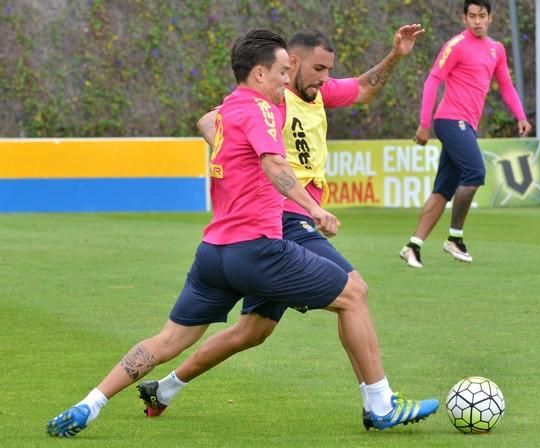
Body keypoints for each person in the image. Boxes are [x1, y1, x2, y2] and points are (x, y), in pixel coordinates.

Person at [46, 29, 438, 438]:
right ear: (264, 72)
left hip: (213, 253)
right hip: (264, 245)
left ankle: (95, 402)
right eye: (286, 71)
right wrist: (314, 207)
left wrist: (234, 155)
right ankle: (381, 404)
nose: (289, 79)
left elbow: (358, 91)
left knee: (214, 334)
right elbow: (271, 163)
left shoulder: (244, 104)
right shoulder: (264, 109)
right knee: (354, 293)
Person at [399, 0, 532, 268]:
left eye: (482, 16)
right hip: (449, 120)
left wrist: (521, 116)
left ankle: (413, 246)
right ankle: (455, 238)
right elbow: (432, 80)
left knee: (443, 190)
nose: (477, 21)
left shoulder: (497, 49)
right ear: (464, 18)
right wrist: (424, 124)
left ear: (490, 18)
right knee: (475, 173)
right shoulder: (456, 45)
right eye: (472, 16)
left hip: (467, 125)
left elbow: (505, 85)